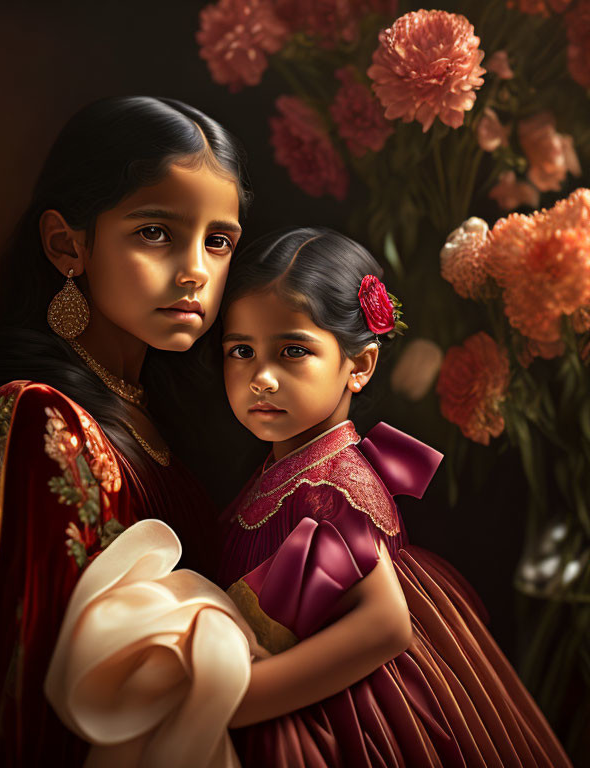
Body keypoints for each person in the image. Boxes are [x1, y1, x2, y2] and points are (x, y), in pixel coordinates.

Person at [0, 95, 251, 767]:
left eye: (218, 240)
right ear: (67, 245)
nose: (196, 269)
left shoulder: (160, 417)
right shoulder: (40, 420)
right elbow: (27, 687)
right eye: (156, 233)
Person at [215, 226, 572, 767]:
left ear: (358, 366)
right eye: (241, 351)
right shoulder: (289, 466)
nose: (260, 378)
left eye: (292, 351)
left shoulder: (330, 486)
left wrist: (242, 700)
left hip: (331, 715)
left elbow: (385, 625)